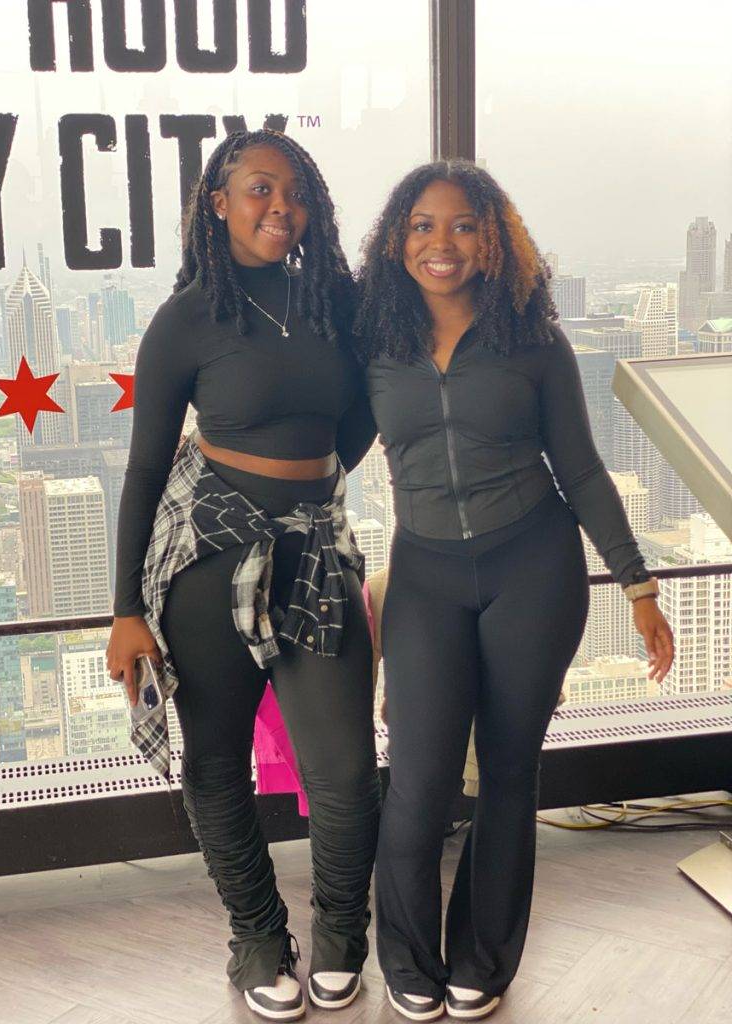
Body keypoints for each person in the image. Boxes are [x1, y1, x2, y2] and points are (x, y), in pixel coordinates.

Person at [352, 160, 675, 1021]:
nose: (441, 243)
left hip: (533, 567)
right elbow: (316, 435)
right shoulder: (373, 342)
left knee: (506, 774)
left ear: (493, 239)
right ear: (396, 240)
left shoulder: (534, 342)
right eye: (422, 225)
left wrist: (637, 586)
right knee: (418, 776)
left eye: (462, 225)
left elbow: (581, 469)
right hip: (424, 573)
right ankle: (408, 959)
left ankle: (484, 959)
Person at [106, 129, 381, 1022]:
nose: (281, 208)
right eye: (259, 189)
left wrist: (302, 489)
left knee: (342, 768)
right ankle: (258, 940)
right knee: (216, 759)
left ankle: (343, 934)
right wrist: (123, 610)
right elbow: (145, 471)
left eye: (294, 192)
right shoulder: (187, 318)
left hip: (314, 551)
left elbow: (361, 419)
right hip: (206, 558)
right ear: (217, 201)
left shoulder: (335, 299)